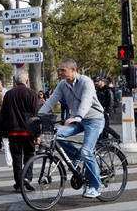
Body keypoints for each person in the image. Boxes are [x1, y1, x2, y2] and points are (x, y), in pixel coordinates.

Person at [39, 59, 106, 198]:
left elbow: (87, 100)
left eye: (63, 70)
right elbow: (52, 100)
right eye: (60, 70)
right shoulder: (63, 84)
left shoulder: (86, 82)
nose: (60, 72)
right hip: (76, 119)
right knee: (56, 135)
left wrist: (79, 116)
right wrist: (39, 115)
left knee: (87, 151)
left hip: (94, 119)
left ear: (73, 70)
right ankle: (75, 156)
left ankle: (95, 186)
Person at [0, 70, 39, 191]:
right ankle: (27, 177)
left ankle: (18, 182)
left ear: (15, 81)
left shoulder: (9, 94)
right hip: (28, 130)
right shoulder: (32, 93)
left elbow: (4, 114)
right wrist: (37, 133)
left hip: (13, 130)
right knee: (29, 155)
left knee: (16, 157)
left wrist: (3, 132)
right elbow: (35, 114)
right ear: (27, 81)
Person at [95, 76, 120, 141]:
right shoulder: (98, 90)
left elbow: (111, 101)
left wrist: (108, 111)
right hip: (101, 110)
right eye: (95, 81)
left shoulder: (108, 89)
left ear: (102, 82)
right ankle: (103, 139)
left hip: (107, 110)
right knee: (101, 126)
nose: (96, 83)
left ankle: (117, 136)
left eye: (98, 81)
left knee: (105, 127)